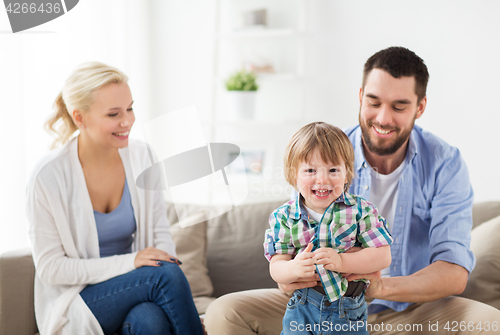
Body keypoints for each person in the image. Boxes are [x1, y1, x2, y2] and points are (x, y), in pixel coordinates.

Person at [204, 47, 500, 334]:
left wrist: (381, 287)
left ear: (419, 107)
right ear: (360, 97)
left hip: (408, 310)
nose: (383, 118)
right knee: (225, 312)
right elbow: (288, 251)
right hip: (316, 305)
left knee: (490, 323)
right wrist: (291, 275)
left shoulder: (444, 163)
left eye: (399, 106)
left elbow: (453, 272)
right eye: (373, 102)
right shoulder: (323, 154)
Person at [26, 62, 204, 335]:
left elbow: (160, 234)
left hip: (135, 287)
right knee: (164, 274)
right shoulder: (48, 176)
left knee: (150, 320)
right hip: (77, 300)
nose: (128, 121)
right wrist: (131, 262)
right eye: (113, 114)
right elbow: (51, 269)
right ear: (80, 118)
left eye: (130, 108)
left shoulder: (142, 156)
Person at [264, 122, 393, 334]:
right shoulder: (284, 217)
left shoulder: (360, 210)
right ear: (293, 175)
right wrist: (292, 269)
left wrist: (343, 261)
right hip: (302, 307)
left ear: (347, 173)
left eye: (333, 170)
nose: (322, 179)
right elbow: (276, 265)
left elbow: (383, 255)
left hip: (348, 310)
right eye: (310, 170)